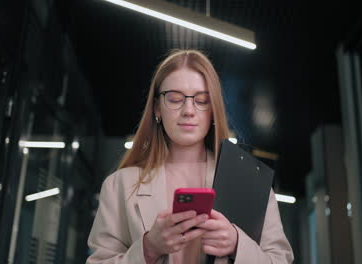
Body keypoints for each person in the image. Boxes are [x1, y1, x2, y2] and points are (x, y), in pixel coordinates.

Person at [86, 49, 294, 264]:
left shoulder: (250, 180)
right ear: (157, 108)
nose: (188, 110)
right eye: (175, 99)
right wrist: (148, 248)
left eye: (202, 100)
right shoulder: (119, 185)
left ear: (213, 109)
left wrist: (236, 244)